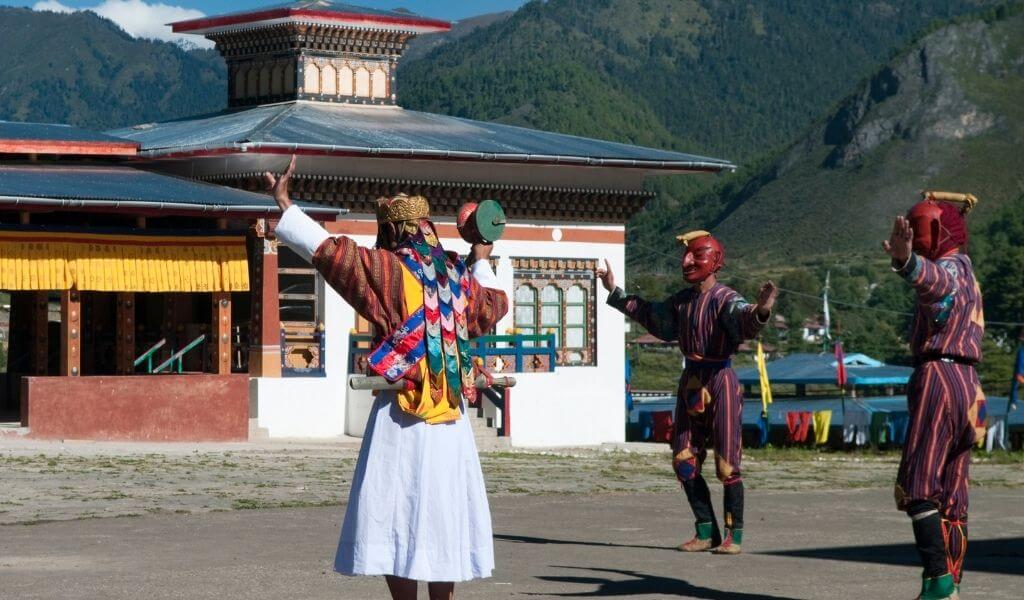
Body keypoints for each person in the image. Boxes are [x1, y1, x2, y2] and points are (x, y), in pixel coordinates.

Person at [267, 157, 509, 600]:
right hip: (450, 422)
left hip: (401, 417)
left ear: (392, 231)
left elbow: (334, 254)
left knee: (397, 516)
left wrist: (287, 206)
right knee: (443, 519)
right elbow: (493, 305)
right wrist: (481, 257)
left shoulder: (388, 271)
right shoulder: (457, 274)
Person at [597, 231, 777, 555]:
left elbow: (745, 318)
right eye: (686, 256)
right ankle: (705, 529)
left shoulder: (726, 299)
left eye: (696, 255)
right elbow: (651, 313)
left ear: (715, 261)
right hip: (691, 381)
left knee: (726, 465)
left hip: (721, 381)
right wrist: (615, 291)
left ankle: (733, 535)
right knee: (683, 460)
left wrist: (761, 310)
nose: (687, 261)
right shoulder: (681, 302)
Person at [883, 191, 986, 600]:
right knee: (953, 492)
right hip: (970, 384)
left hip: (940, 376)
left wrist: (907, 263)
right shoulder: (971, 274)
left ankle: (939, 582)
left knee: (919, 484)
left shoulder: (950, 269)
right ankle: (949, 582)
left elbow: (936, 283)